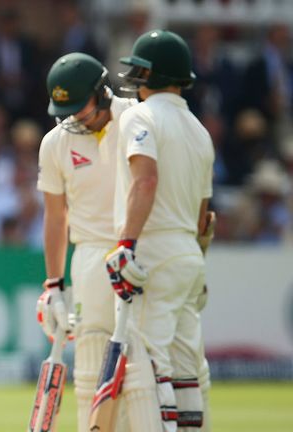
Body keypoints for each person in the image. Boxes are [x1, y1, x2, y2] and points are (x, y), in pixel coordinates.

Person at [36, 52, 157, 431]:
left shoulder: (138, 119)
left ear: (102, 92)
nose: (74, 118)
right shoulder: (56, 142)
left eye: (80, 107)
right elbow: (56, 216)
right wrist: (54, 284)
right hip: (89, 258)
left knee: (141, 369)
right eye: (66, 110)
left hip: (138, 252)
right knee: (88, 370)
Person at [110, 29, 215, 431]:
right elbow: (204, 216)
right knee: (187, 366)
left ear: (153, 75)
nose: (134, 79)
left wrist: (126, 244)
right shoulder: (200, 131)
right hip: (188, 256)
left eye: (139, 70)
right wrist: (195, 263)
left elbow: (145, 181)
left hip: (153, 251)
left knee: (148, 364)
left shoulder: (141, 116)